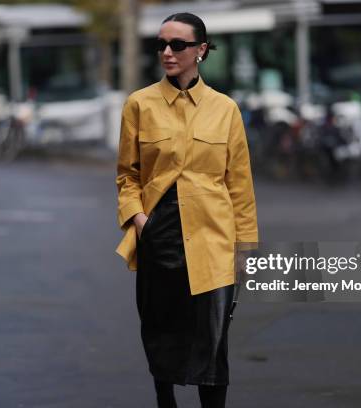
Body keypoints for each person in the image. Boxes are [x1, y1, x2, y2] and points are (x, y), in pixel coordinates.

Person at [115, 12, 259, 408]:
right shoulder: (139, 105)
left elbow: (239, 182)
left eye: (177, 44)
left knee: (212, 343)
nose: (167, 52)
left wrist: (243, 247)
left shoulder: (225, 109)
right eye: (161, 44)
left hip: (212, 240)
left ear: (201, 50)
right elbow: (127, 175)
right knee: (161, 335)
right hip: (158, 235)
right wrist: (141, 221)